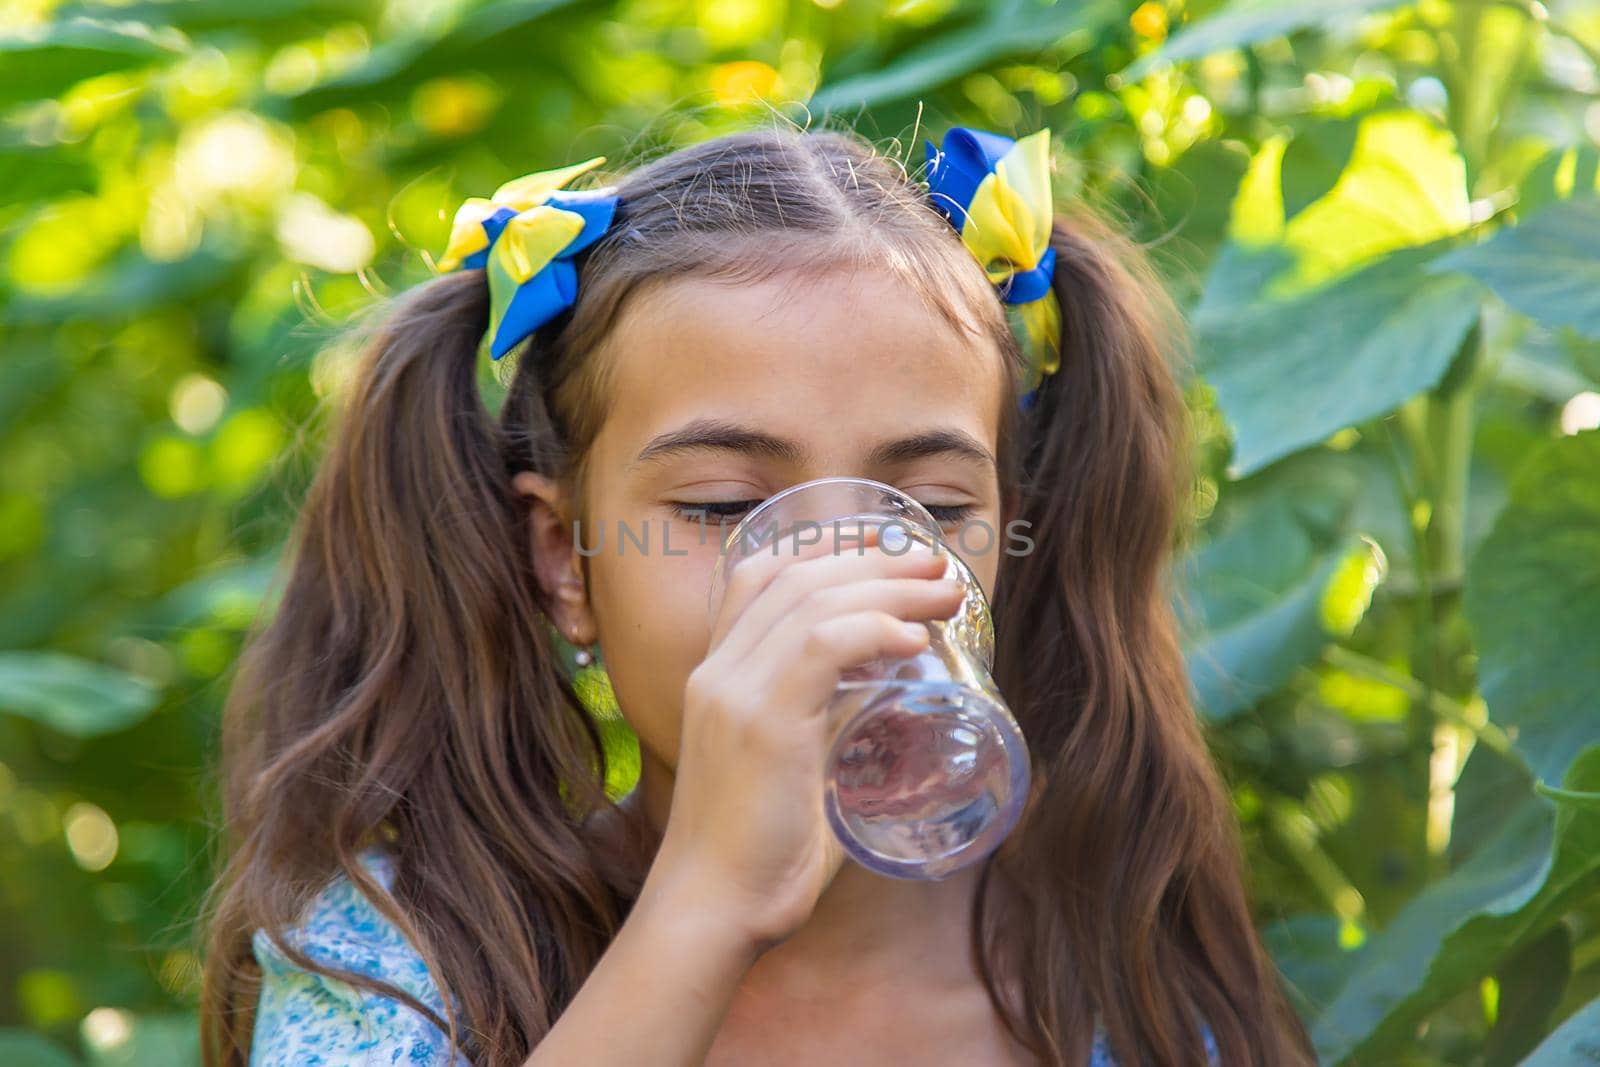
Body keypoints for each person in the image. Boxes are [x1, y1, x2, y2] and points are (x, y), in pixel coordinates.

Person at [198, 116, 1315, 1066]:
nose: (836, 580)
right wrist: (706, 903)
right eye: (727, 508)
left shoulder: (1120, 983)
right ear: (561, 558)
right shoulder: (396, 956)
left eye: (925, 504)